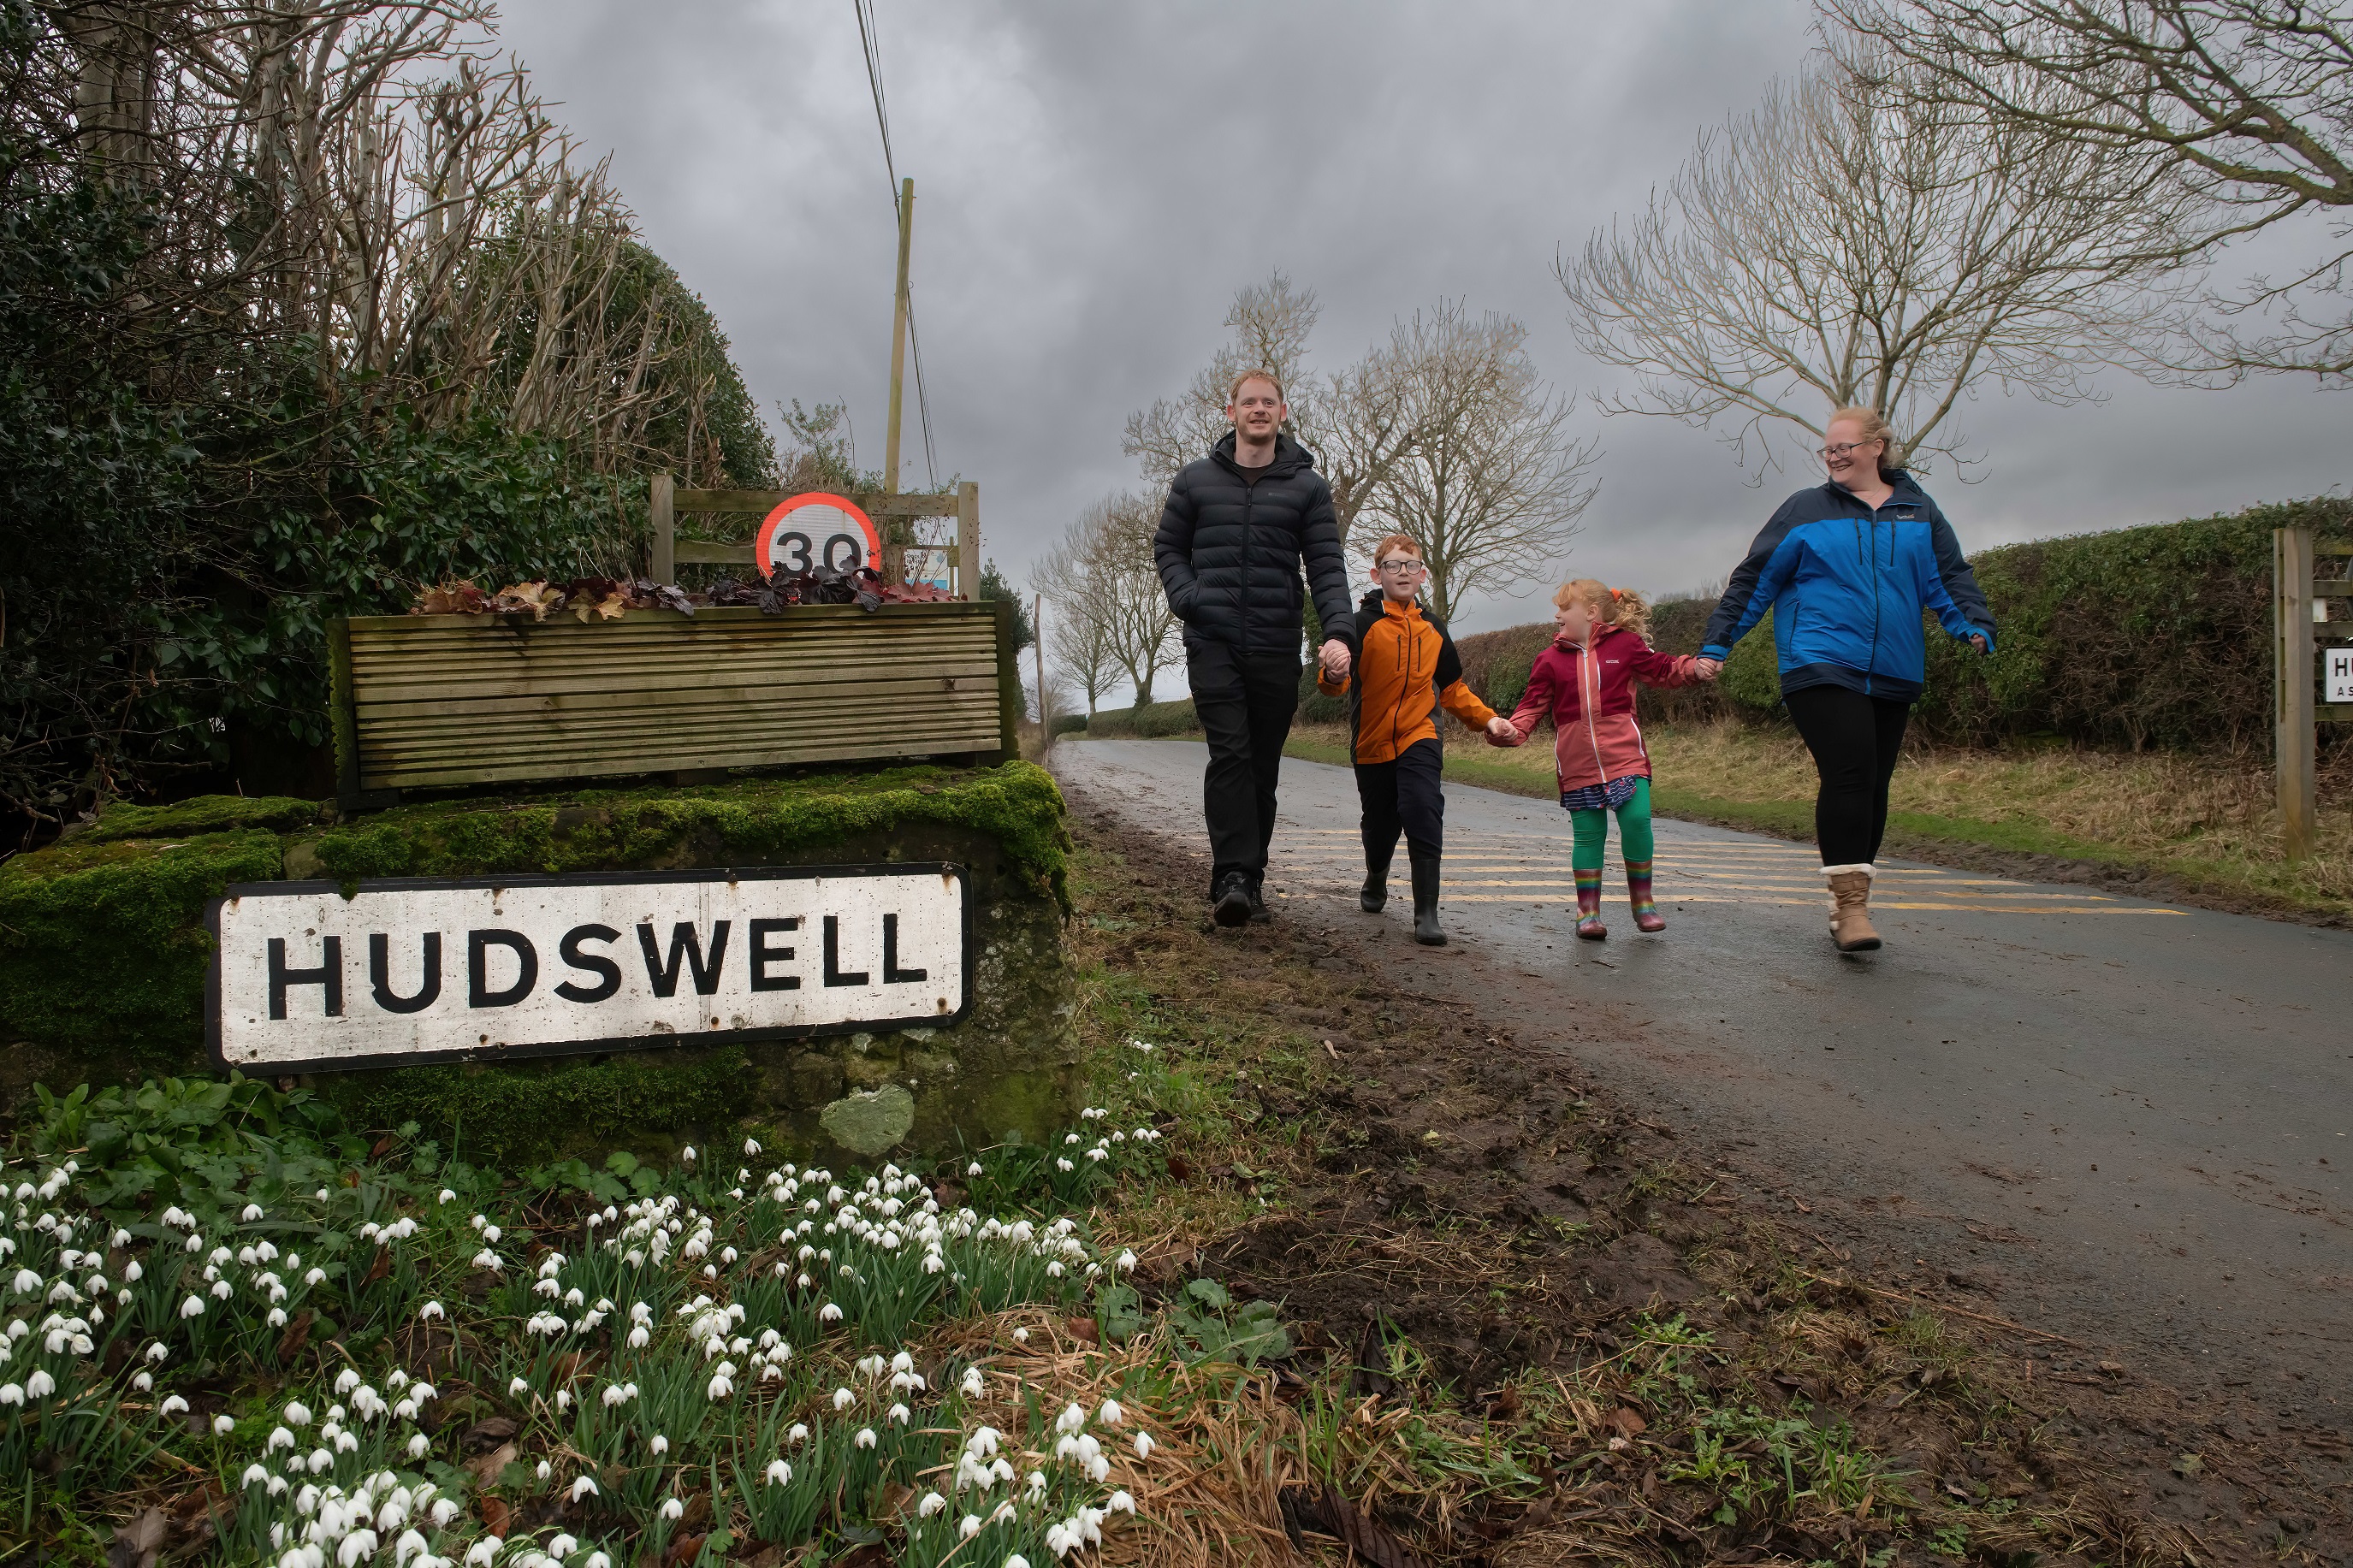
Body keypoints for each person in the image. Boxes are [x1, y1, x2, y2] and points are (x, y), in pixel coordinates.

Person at [1694, 407, 1994, 953]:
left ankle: (1847, 894)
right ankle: (1853, 909)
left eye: (1844, 446)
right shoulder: (1804, 510)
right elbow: (1756, 577)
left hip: (1896, 663)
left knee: (1875, 782)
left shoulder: (1917, 510)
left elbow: (1947, 575)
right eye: (1827, 449)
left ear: (1877, 447)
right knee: (1851, 770)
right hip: (1820, 658)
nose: (1834, 455)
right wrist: (1719, 642)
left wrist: (1970, 623)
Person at [1153, 370, 1358, 928]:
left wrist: (1339, 632)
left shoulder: (1308, 488)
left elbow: (1326, 568)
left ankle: (1253, 878)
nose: (1259, 409)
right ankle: (1231, 878)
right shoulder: (1195, 481)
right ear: (1231, 411)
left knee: (1262, 766)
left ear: (1282, 411)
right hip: (1211, 638)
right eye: (1250, 402)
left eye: (1269, 402)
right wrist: (1190, 598)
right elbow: (1168, 546)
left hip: (1274, 641)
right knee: (1231, 755)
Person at [1315, 535, 1519, 946]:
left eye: (1411, 565)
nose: (1403, 572)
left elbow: (1453, 689)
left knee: (1422, 806)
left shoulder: (1434, 628)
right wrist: (1333, 674)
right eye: (1393, 565)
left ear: (1423, 574)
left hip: (1420, 733)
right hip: (1371, 742)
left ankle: (1427, 912)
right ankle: (1376, 873)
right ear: (1377, 574)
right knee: (1380, 826)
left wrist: (1490, 721)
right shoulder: (1361, 625)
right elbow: (1335, 686)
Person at [1498, 580, 1703, 940]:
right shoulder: (1549, 659)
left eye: (1564, 609)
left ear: (1591, 613)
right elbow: (1532, 706)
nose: (1557, 615)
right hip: (1577, 762)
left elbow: (1662, 669)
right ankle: (1587, 913)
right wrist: (1512, 731)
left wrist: (1693, 668)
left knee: (1638, 820)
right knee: (1589, 835)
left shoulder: (1625, 645)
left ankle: (1644, 903)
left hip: (1626, 755)